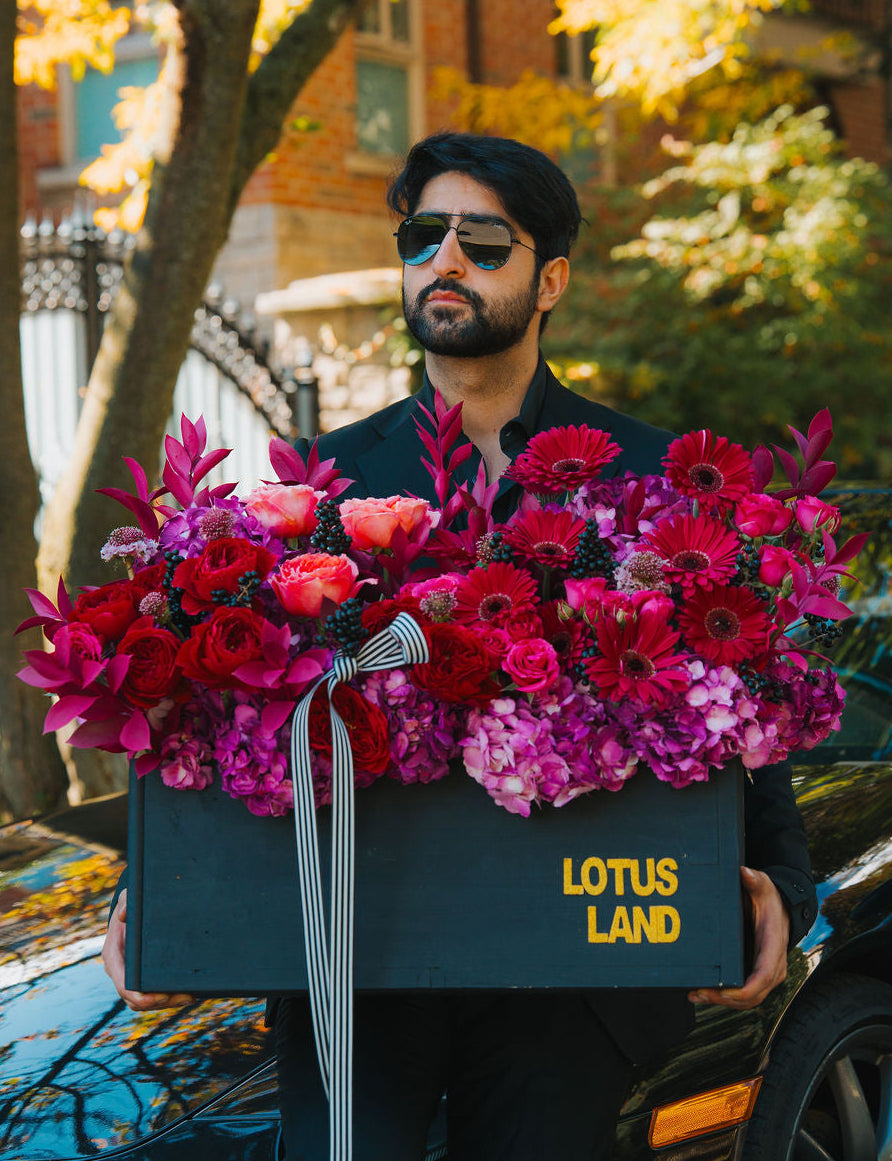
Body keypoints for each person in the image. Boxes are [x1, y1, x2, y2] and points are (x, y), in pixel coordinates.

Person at [103, 132, 817, 1161]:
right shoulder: (313, 485)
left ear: (550, 277)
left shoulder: (656, 476)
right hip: (358, 978)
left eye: (482, 243)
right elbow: (225, 714)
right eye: (422, 235)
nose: (444, 260)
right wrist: (160, 887)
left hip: (576, 989)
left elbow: (741, 714)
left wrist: (776, 892)